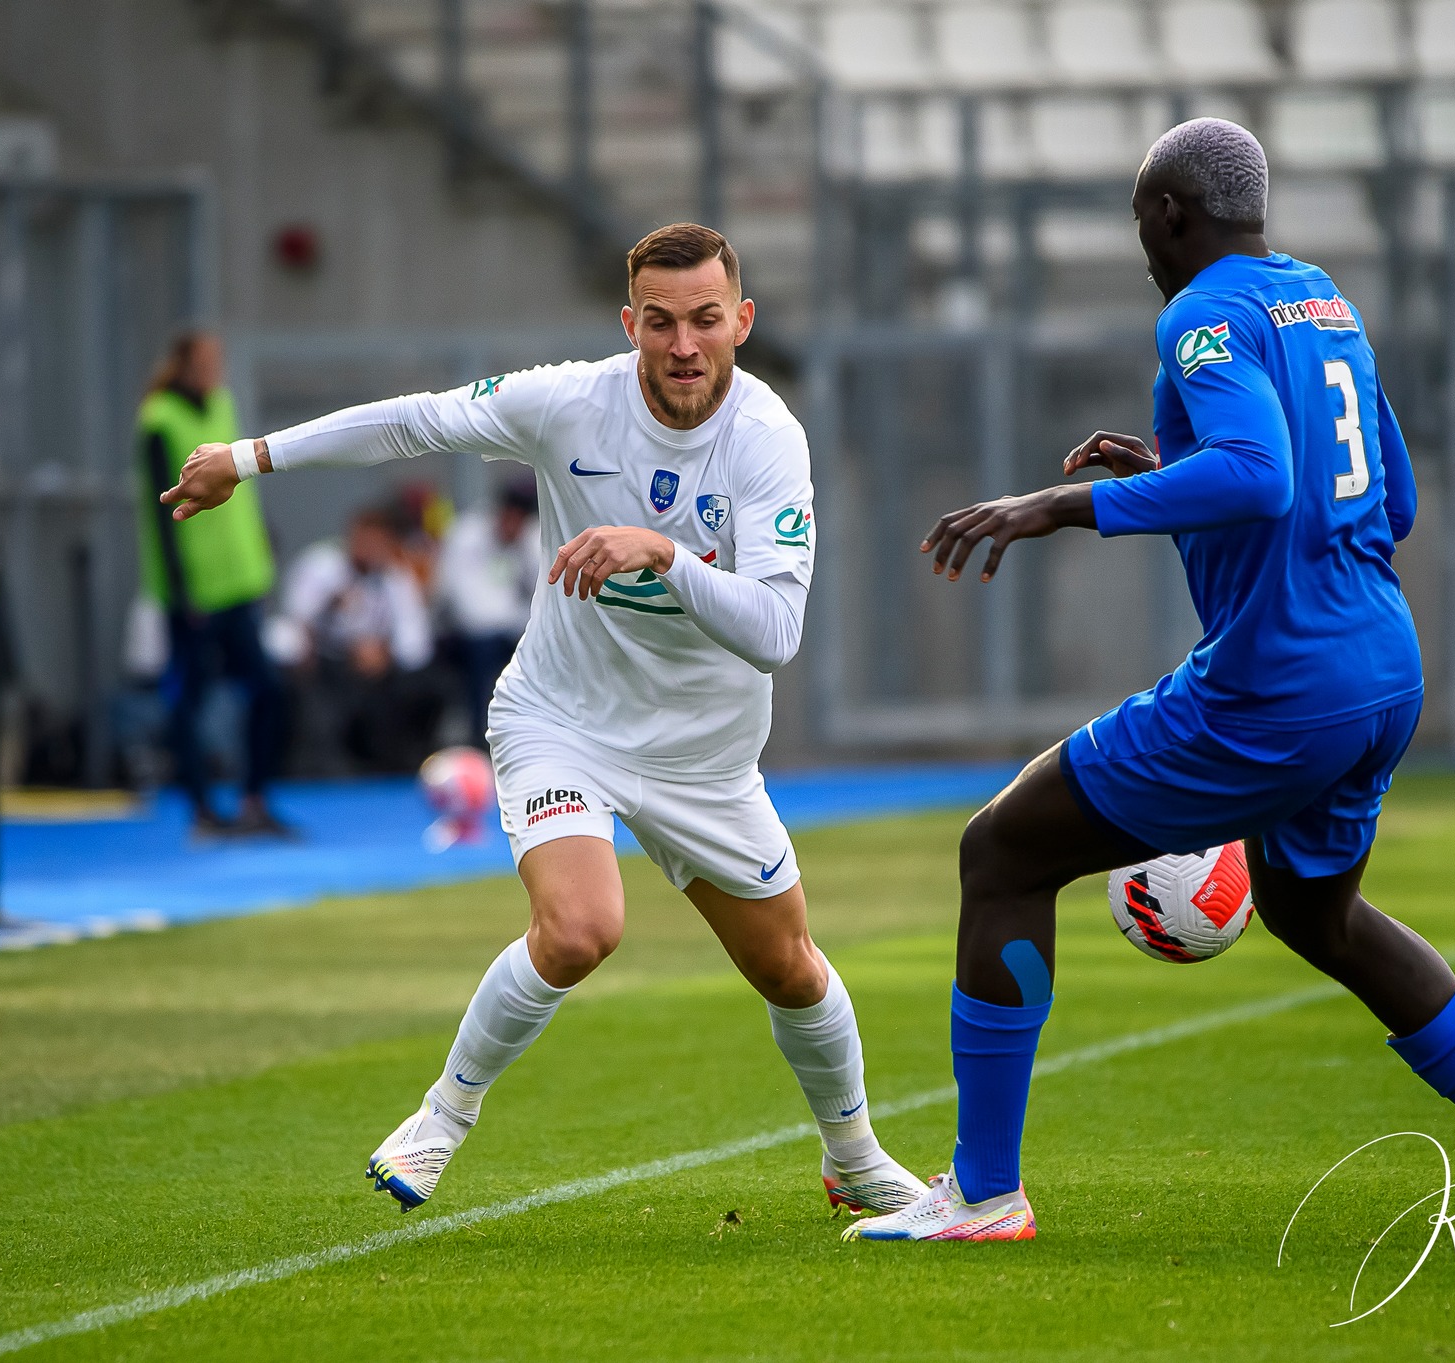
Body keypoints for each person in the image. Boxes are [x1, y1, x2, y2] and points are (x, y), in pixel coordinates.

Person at [848, 120, 1455, 1242]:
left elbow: (1259, 479)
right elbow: (1385, 500)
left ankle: (981, 1190)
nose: (1143, 250)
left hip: (1278, 684)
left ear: (1168, 213)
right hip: (1382, 668)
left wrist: (1052, 506)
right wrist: (1174, 472)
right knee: (1319, 912)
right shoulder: (1323, 304)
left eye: (1140, 226)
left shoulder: (1200, 314)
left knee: (1002, 851)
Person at [159, 223, 927, 1218]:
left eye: (704, 320)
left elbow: (775, 631)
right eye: (660, 322)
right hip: (560, 718)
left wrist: (661, 553)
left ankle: (852, 1156)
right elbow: (414, 423)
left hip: (704, 759)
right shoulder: (570, 402)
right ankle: (443, 1113)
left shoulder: (768, 438)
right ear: (629, 324)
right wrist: (248, 456)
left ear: (740, 320)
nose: (683, 345)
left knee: (789, 967)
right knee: (578, 928)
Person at [131, 330, 291, 837]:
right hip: (195, 590)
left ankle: (254, 798)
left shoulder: (221, 404)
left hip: (239, 579)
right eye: (204, 361)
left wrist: (261, 540)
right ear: (181, 364)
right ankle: (201, 808)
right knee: (190, 699)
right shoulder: (158, 419)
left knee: (268, 690)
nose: (214, 371)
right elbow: (161, 510)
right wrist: (180, 590)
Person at [276, 505, 445, 773]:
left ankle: (396, 763)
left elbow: (416, 640)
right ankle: (320, 766)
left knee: (429, 687)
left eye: (378, 542)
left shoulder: (395, 579)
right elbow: (295, 619)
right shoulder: (321, 565)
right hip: (326, 658)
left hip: (379, 668)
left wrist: (385, 653)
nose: (369, 549)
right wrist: (330, 609)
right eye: (364, 539)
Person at [437, 480, 539, 720]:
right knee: (483, 652)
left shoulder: (531, 540)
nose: (514, 525)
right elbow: (458, 599)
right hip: (468, 633)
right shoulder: (467, 535)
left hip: (513, 630)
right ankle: (480, 729)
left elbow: (541, 592)